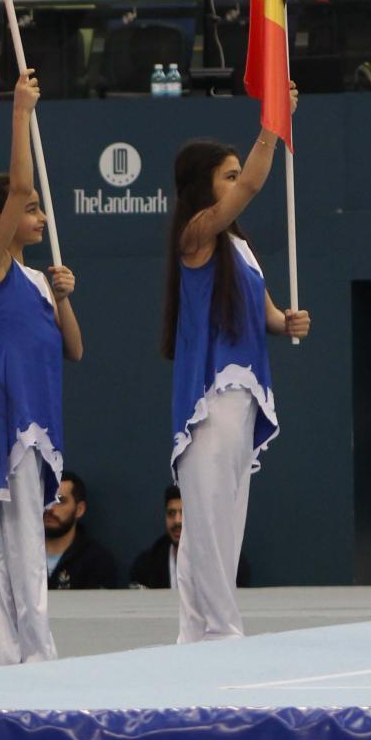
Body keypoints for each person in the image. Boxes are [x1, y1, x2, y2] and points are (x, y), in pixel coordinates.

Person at [163, 98, 312, 643]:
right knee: (207, 521)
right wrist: (274, 122)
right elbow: (253, 184)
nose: (238, 182)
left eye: (236, 173)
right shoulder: (196, 235)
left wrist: (287, 320)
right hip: (211, 397)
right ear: (205, 186)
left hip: (245, 398)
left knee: (227, 520)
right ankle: (221, 634)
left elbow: (269, 315)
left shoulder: (242, 248)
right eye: (228, 175)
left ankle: (198, 635)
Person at [0, 70, 85, 664]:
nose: (40, 217)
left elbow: (74, 348)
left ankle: (6, 656)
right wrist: (20, 114)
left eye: (36, 211)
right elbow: (22, 181)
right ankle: (39, 654)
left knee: (9, 546)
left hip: (40, 420)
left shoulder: (33, 279)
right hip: (11, 418)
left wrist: (63, 297)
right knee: (25, 541)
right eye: (29, 210)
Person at [129, 484, 252, 588]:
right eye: (171, 513)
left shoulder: (229, 564)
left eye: (185, 512)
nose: (177, 521)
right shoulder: (146, 566)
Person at [45, 471, 121, 589]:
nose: (50, 508)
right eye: (46, 499)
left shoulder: (97, 562)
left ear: (79, 509)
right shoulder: (17, 555)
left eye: (60, 501)